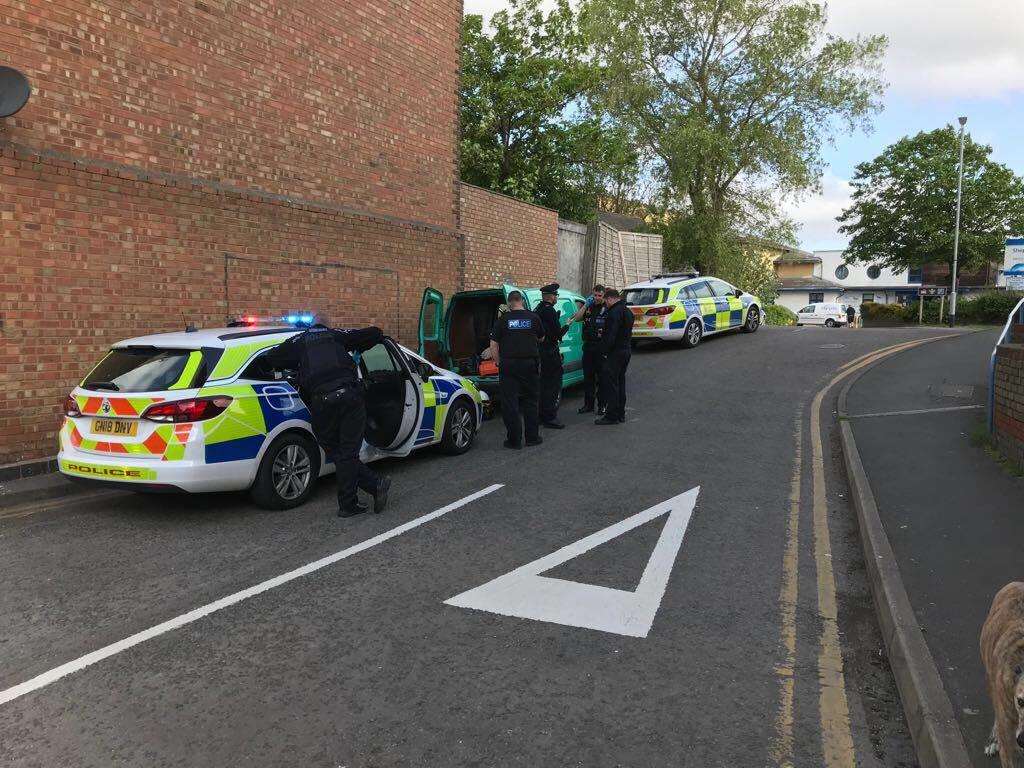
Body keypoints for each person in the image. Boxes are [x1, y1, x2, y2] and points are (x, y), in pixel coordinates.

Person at [264, 323, 391, 518]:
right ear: (324, 328)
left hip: (322, 404)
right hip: (349, 400)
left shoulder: (298, 342)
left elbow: (270, 358)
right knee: (347, 452)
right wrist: (359, 345)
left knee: (338, 451)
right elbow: (373, 333)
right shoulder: (336, 335)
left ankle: (366, 491)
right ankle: (362, 493)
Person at [489, 290, 545, 449]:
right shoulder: (534, 317)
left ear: (509, 303)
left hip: (509, 365)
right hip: (529, 364)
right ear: (521, 301)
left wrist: (499, 362)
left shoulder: (503, 320)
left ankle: (514, 441)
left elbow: (493, 345)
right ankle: (532, 438)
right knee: (531, 400)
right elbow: (542, 338)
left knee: (510, 402)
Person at [595, 288, 634, 425]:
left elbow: (611, 335)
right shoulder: (628, 311)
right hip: (626, 350)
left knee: (611, 384)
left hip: (615, 352)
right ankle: (620, 413)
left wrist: (604, 351)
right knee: (620, 382)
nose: (605, 304)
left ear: (610, 298)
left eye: (606, 301)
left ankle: (611, 415)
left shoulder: (613, 313)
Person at [569, 284, 606, 414]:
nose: (596, 298)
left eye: (599, 296)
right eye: (595, 295)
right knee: (588, 378)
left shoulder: (606, 308)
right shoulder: (589, 306)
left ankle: (602, 405)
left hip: (601, 347)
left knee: (601, 379)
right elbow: (577, 318)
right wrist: (585, 305)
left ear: (604, 295)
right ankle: (588, 404)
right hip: (588, 346)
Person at [536, 283, 568, 429]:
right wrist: (566, 326)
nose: (556, 298)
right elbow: (556, 334)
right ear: (550, 297)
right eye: (556, 295)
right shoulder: (549, 311)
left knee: (543, 385)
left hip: (540, 352)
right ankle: (550, 417)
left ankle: (541, 415)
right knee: (553, 385)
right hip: (550, 352)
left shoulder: (538, 309)